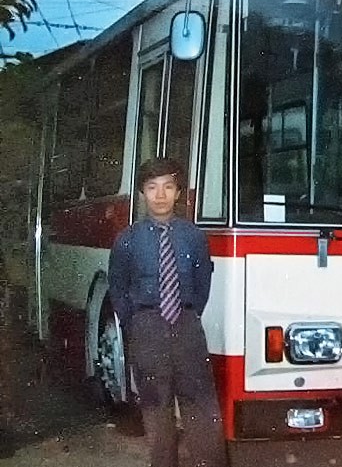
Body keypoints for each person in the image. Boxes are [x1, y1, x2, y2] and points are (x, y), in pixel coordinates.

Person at [108, 158, 226, 467]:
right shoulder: (127, 240)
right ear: (142, 193)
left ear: (178, 193)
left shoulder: (194, 237)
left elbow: (202, 284)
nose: (160, 195)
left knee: (201, 405)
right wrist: (137, 323)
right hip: (147, 327)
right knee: (156, 407)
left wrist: (187, 315)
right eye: (152, 188)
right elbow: (118, 287)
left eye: (168, 187)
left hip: (186, 325)